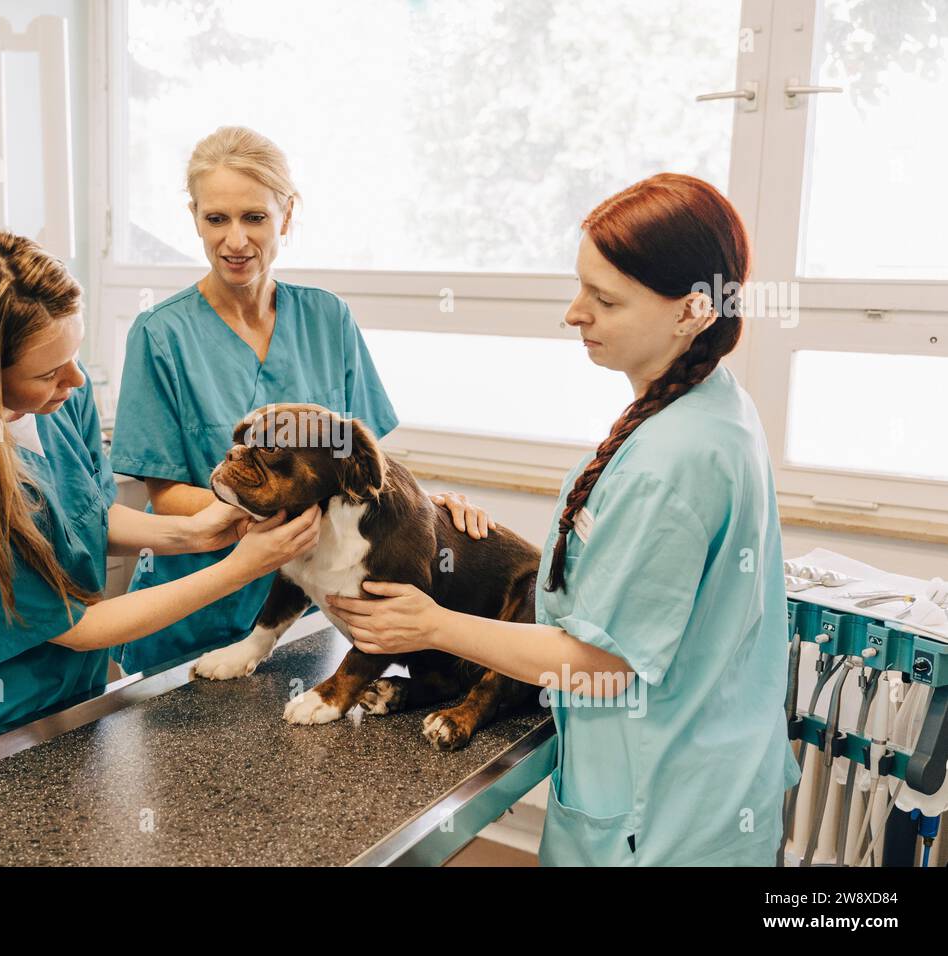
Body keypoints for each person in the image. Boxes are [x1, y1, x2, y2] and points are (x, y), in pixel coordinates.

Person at [324, 173, 801, 866]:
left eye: (604, 299)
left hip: (658, 816)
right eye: (580, 288)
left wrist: (430, 624)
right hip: (698, 781)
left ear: (692, 311)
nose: (574, 313)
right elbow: (621, 571)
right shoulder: (706, 404)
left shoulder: (676, 458)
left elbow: (600, 663)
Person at [0, 225, 321, 759]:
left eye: (76, 353)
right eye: (47, 371)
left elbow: (89, 515)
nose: (77, 380)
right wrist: (239, 567)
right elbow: (81, 628)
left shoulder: (61, 405)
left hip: (75, 704)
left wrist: (197, 531)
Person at [110, 126, 487, 675]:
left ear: (286, 215)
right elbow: (165, 495)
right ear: (194, 217)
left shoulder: (327, 319)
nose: (235, 241)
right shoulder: (160, 334)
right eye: (216, 219)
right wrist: (262, 515)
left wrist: (432, 510)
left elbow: (365, 470)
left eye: (254, 218)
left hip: (311, 607)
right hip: (197, 607)